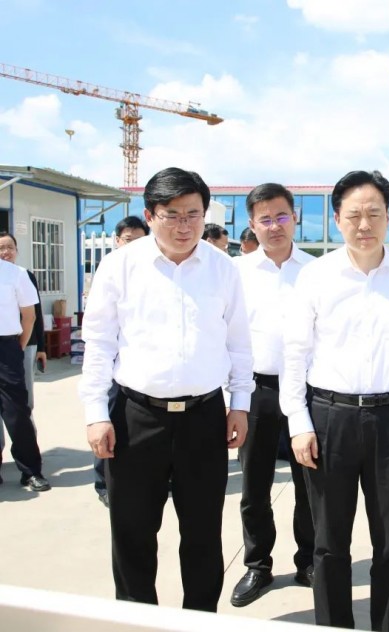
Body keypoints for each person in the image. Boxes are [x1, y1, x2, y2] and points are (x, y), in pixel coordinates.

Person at [78, 167, 253, 612]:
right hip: (136, 417)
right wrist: (96, 413)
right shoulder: (120, 266)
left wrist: (240, 404)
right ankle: (137, 618)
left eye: (193, 214)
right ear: (149, 215)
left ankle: (200, 618)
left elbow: (238, 343)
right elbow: (98, 344)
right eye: (171, 214)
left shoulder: (222, 269)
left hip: (204, 418)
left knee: (203, 532)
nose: (183, 225)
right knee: (132, 532)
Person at [280, 170, 389, 631]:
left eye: (374, 213)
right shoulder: (315, 277)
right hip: (328, 419)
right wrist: (298, 422)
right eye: (354, 215)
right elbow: (295, 355)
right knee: (329, 542)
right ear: (337, 219)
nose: (364, 224)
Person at [229, 183, 316, 607]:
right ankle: (257, 565)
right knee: (255, 484)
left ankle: (309, 561)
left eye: (282, 216)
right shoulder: (237, 272)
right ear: (252, 224)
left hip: (310, 392)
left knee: (310, 483)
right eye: (265, 219)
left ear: (294, 217)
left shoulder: (317, 270)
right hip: (257, 390)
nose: (274, 226)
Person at [92, 216, 149, 508]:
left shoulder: (152, 271)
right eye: (128, 240)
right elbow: (99, 331)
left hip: (139, 365)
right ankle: (103, 482)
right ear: (117, 241)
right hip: (114, 364)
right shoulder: (111, 269)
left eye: (140, 240)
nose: (134, 245)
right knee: (108, 419)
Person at [0, 252, 50, 492]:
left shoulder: (16, 274)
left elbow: (29, 316)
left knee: (17, 411)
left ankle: (31, 471)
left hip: (7, 347)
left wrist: (17, 347)